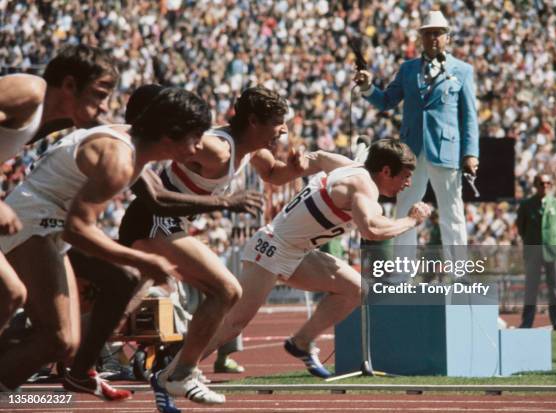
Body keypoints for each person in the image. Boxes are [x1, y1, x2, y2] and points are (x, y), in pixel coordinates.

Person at [0, 87, 210, 394]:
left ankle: (81, 371)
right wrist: (144, 258)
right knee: (58, 341)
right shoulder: (119, 157)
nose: (199, 146)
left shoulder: (135, 151)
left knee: (123, 278)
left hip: (51, 226)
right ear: (170, 134)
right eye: (196, 136)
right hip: (32, 222)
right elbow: (78, 230)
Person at [118, 85, 307, 409]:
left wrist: (296, 170)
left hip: (168, 225)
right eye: (279, 123)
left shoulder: (251, 151)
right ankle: (177, 373)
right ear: (253, 121)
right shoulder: (216, 148)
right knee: (225, 290)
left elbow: (274, 173)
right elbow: (159, 142)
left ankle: (171, 371)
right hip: (152, 220)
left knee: (118, 315)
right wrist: (132, 124)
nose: (284, 131)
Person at [191, 139, 431, 382]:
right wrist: (411, 220)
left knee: (355, 289)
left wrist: (303, 162)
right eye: (405, 176)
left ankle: (302, 342)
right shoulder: (363, 187)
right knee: (235, 323)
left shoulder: (346, 165)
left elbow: (317, 157)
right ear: (386, 171)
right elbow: (371, 230)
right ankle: (180, 365)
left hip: (298, 252)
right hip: (272, 248)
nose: (408, 183)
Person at [0, 44, 117, 337]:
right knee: (10, 293)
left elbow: (109, 127)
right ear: (68, 84)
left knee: (11, 296)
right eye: (99, 95)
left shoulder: (49, 118)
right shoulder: (28, 91)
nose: (104, 106)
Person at [354, 10, 478, 247]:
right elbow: (387, 100)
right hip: (411, 149)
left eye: (438, 34)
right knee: (405, 209)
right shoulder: (408, 69)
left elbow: (469, 116)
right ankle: (402, 272)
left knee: (452, 211)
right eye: (428, 33)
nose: (433, 38)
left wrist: (471, 153)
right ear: (421, 37)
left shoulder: (462, 70)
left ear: (447, 38)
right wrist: (368, 87)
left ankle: (458, 276)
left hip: (446, 148)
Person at [516, 174, 556, 330]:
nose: (545, 185)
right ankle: (527, 321)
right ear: (535, 185)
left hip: (553, 251)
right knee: (531, 287)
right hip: (533, 252)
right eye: (541, 183)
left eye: (548, 183)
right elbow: (521, 228)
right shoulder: (526, 205)